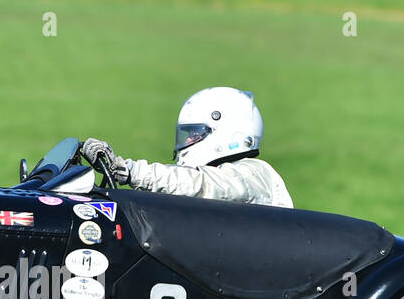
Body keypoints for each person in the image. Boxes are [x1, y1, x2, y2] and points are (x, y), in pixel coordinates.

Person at [81, 87, 292, 209]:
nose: (189, 141)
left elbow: (200, 184)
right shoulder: (221, 178)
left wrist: (131, 171)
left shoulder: (254, 173)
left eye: (194, 133)